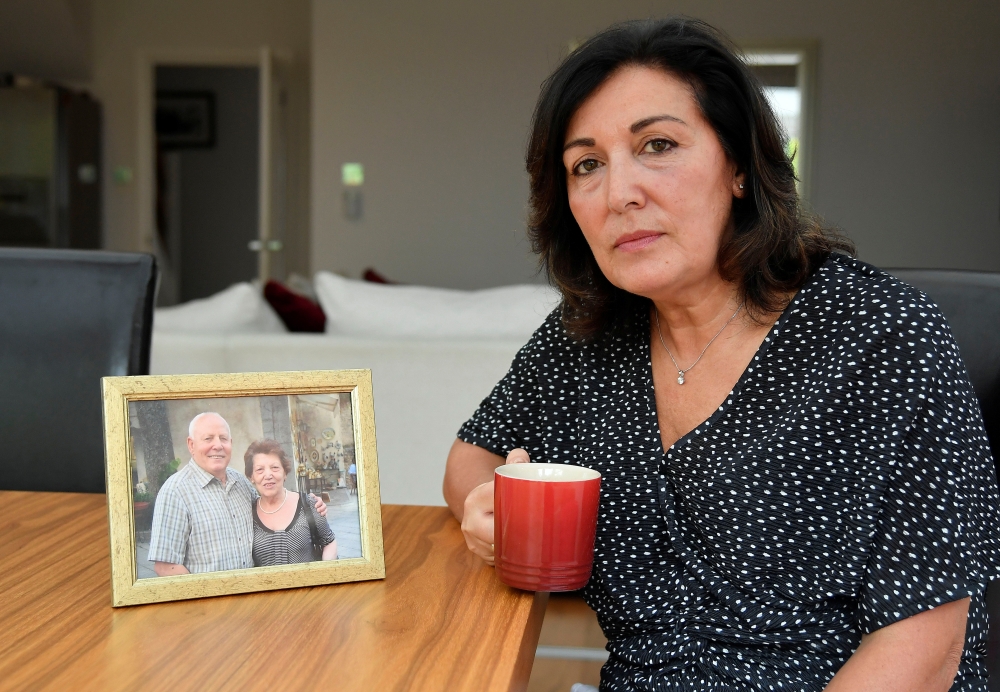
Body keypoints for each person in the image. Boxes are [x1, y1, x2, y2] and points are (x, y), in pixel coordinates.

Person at [443, 17, 1000, 692]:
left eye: (657, 145)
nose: (621, 193)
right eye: (587, 164)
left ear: (738, 165)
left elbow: (926, 650)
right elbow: (474, 451)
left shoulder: (881, 335)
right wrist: (485, 507)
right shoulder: (585, 340)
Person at [148, 412, 327, 576]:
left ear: (230, 444)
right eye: (208, 438)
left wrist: (306, 505)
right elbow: (166, 565)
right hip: (213, 606)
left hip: (253, 602)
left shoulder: (240, 482)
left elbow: (268, 505)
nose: (217, 445)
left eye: (223, 438)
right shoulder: (175, 492)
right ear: (191, 445)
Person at [245, 439, 338, 565]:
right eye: (260, 470)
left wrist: (324, 574)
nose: (268, 475)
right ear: (252, 477)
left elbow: (329, 541)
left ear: (285, 473)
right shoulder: (248, 514)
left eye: (275, 468)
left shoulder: (308, 503)